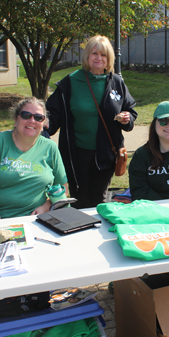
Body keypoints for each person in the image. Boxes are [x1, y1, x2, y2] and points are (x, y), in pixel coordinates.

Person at [46, 35, 137, 209]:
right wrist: (43, 124)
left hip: (106, 153)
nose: (99, 58)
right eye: (94, 53)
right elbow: (52, 113)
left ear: (109, 59)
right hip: (77, 153)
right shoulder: (71, 82)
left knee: (99, 199)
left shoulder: (116, 82)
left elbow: (131, 111)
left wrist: (127, 118)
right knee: (79, 198)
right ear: (87, 56)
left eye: (103, 55)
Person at [0, 97, 68, 221]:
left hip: (35, 219)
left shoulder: (49, 147)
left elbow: (62, 186)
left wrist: (45, 207)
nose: (32, 121)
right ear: (16, 119)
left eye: (38, 117)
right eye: (26, 115)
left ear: (44, 123)